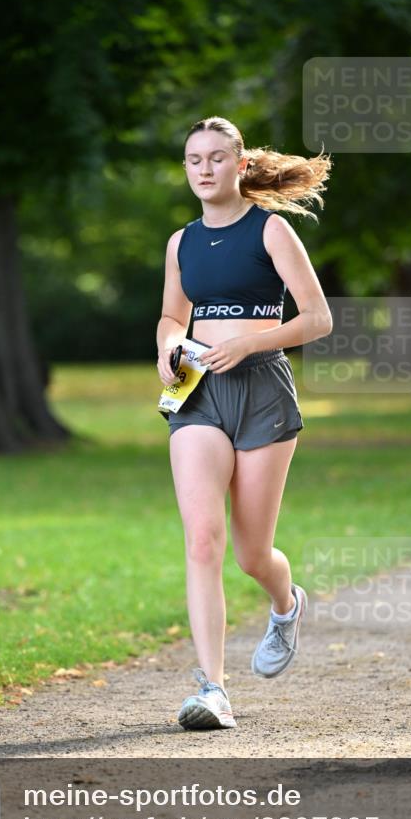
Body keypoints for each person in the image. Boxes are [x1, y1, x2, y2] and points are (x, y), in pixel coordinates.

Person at [155, 116, 333, 730]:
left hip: (261, 390)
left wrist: (252, 345)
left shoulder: (272, 230)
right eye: (192, 160)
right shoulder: (180, 242)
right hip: (198, 394)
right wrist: (168, 347)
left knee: (252, 553)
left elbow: (317, 320)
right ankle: (212, 690)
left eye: (214, 158)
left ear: (239, 165)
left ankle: (286, 605)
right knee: (202, 539)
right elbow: (172, 317)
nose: (203, 169)